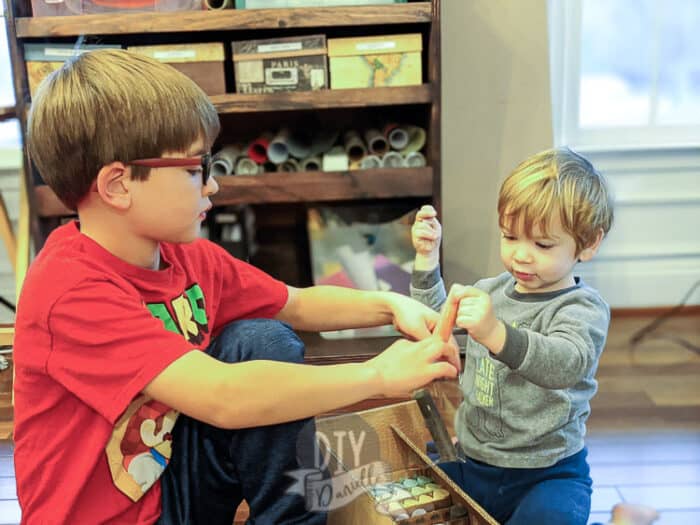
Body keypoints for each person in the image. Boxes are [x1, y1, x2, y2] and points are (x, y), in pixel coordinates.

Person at [13, 49, 460, 525]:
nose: (212, 186)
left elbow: (300, 304)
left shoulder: (186, 257)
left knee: (261, 342)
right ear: (119, 185)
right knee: (252, 370)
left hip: (168, 489)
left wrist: (390, 306)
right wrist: (379, 375)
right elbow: (223, 396)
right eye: (194, 169)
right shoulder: (70, 290)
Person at [410, 147, 614, 525]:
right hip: (474, 462)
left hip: (548, 473)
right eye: (510, 237)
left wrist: (496, 333)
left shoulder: (582, 309)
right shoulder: (491, 290)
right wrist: (426, 261)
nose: (521, 255)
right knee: (407, 503)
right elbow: (437, 325)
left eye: (542, 244)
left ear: (588, 243)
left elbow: (564, 363)